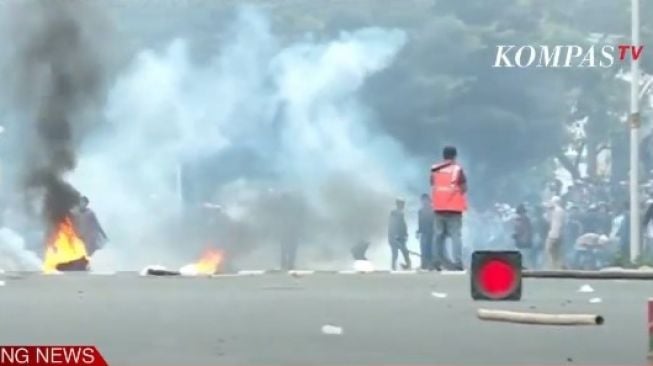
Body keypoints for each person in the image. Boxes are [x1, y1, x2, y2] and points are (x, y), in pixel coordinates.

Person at [431, 146, 467, 270]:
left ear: (443, 156)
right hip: (454, 208)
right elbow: (464, 188)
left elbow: (432, 183)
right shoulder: (458, 169)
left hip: (438, 207)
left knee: (438, 235)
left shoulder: (435, 169)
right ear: (455, 156)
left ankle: (436, 261)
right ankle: (457, 262)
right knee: (456, 235)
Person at [388, 198, 411, 270]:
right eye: (402, 204)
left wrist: (405, 234)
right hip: (395, 237)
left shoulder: (400, 213)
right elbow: (393, 225)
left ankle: (407, 265)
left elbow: (403, 225)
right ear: (398, 204)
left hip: (400, 237)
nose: (403, 206)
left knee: (404, 252)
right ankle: (394, 267)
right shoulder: (395, 213)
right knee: (397, 253)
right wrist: (395, 235)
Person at [544, 196, 566, 269]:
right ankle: (558, 266)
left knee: (550, 251)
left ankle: (554, 267)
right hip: (559, 234)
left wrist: (548, 210)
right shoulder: (561, 211)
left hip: (553, 235)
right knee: (557, 252)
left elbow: (550, 221)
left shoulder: (556, 211)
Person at [512, 204, 535, 269]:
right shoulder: (518, 220)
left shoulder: (526, 220)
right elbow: (517, 230)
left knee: (526, 259)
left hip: (525, 243)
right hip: (519, 242)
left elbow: (528, 231)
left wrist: (525, 239)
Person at [416, 193, 434, 270]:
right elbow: (420, 223)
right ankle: (424, 264)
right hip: (424, 233)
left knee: (430, 249)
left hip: (432, 233)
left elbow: (435, 222)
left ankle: (431, 264)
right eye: (423, 200)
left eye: (426, 200)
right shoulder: (420, 211)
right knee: (423, 249)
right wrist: (418, 231)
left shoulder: (433, 210)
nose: (424, 202)